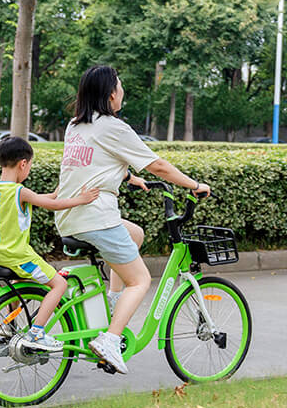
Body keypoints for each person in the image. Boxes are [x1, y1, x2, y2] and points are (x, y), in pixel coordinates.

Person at [55, 65, 210, 373]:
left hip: (68, 214)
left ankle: (113, 302)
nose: (122, 90)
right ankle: (110, 341)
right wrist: (195, 185)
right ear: (111, 93)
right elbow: (159, 166)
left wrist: (126, 176)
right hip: (95, 218)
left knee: (135, 235)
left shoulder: (76, 125)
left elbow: (92, 161)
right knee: (140, 280)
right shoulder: (114, 127)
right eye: (120, 85)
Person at [0, 136, 100, 351]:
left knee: (19, 287)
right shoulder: (20, 191)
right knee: (60, 284)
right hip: (19, 256)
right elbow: (54, 205)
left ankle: (10, 328)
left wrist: (60, 190)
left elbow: (45, 198)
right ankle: (37, 332)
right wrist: (82, 199)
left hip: (0, 255)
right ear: (23, 163)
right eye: (29, 165)